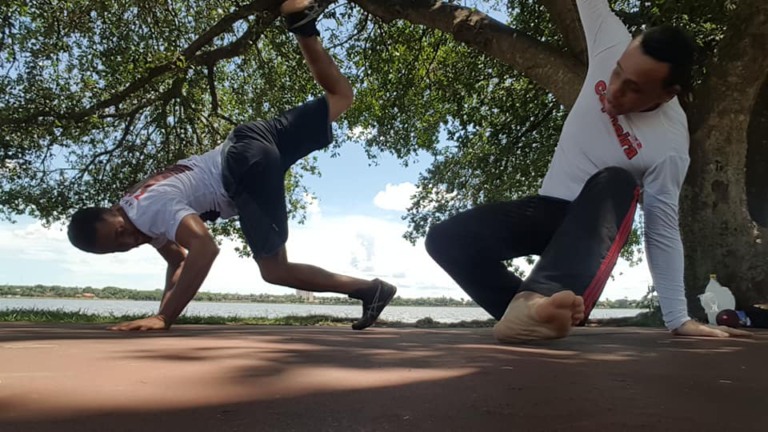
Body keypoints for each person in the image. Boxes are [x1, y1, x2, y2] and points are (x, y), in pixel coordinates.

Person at [425, 0, 751, 343]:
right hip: (546, 210)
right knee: (446, 240)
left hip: (595, 229)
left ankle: (540, 297)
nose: (614, 90)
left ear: (669, 95)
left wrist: (678, 318)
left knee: (617, 180)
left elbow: (662, 229)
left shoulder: (669, 145)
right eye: (617, 72)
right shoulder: (609, 39)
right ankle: (531, 313)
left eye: (634, 88)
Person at [67, 0, 396, 332]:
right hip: (249, 139)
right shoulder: (135, 209)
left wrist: (164, 318)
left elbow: (204, 248)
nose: (128, 241)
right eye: (117, 247)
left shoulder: (148, 212)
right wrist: (161, 311)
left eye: (119, 234)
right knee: (341, 97)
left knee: (274, 270)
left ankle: (368, 289)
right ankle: (302, 25)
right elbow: (178, 259)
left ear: (114, 213)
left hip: (243, 168)